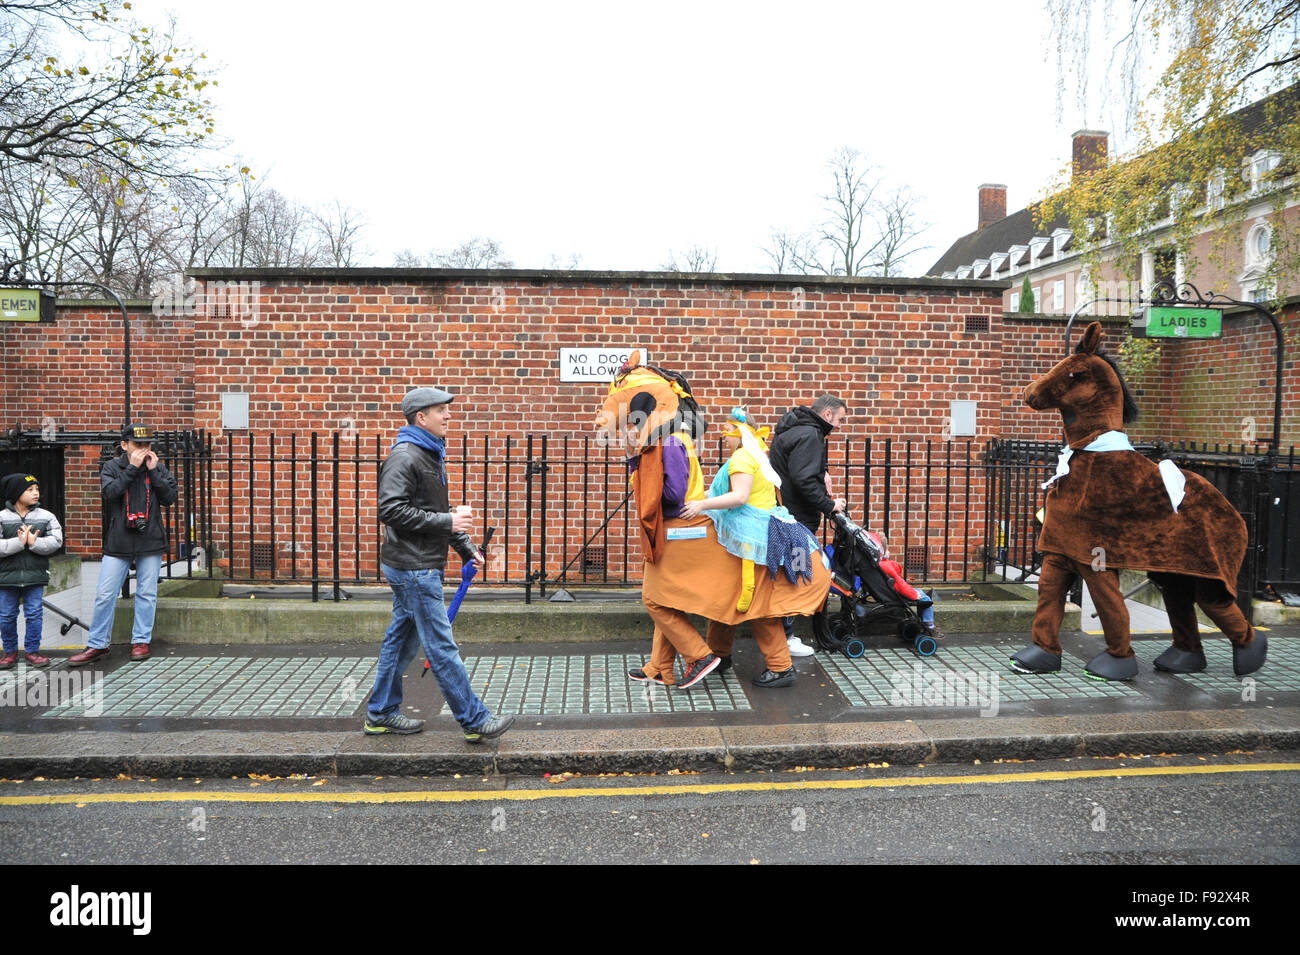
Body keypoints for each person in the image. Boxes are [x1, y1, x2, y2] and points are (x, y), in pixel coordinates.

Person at [365, 387, 514, 742]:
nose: (448, 416)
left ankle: (380, 712)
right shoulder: (406, 456)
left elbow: (432, 512)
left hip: (414, 563)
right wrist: (449, 523)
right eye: (440, 411)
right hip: (413, 568)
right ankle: (474, 720)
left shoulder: (429, 452)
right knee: (440, 645)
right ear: (421, 417)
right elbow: (390, 510)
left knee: (400, 642)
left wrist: (464, 546)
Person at [682, 408, 821, 687]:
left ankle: (781, 667)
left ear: (739, 433)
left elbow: (739, 496)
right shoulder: (756, 454)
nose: (724, 437)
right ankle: (718, 654)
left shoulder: (743, 457)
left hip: (752, 542)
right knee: (729, 597)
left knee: (756, 604)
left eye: (728, 432)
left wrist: (700, 504)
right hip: (755, 539)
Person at [70, 425, 179, 666]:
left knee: (147, 594)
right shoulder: (112, 467)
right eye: (138, 444)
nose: (143, 449)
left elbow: (170, 498)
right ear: (124, 445)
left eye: (147, 445)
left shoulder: (156, 467)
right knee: (105, 594)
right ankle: (98, 644)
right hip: (119, 540)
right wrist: (132, 469)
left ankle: (141, 641)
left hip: (150, 539)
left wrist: (153, 472)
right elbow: (110, 493)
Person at [769, 394, 848, 656]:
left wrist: (821, 471)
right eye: (840, 419)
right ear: (827, 415)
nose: (839, 425)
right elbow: (803, 479)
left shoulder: (792, 430)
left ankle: (782, 634)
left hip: (783, 515)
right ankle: (786, 637)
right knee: (796, 575)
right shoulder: (811, 435)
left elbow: (796, 471)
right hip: (798, 522)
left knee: (786, 574)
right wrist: (829, 504)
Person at [0, 474, 64, 669]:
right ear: (16, 493)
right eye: (30, 490)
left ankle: (32, 652)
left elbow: (57, 541)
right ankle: (9, 653)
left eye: (36, 489)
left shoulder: (46, 516)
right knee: (6, 615)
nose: (36, 493)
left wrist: (35, 543)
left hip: (35, 576)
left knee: (34, 613)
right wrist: (19, 543)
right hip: (6, 577)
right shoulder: (2, 517)